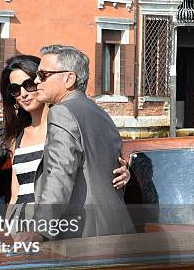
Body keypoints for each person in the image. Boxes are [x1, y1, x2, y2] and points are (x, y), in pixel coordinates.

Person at [27, 44, 135, 241]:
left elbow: (60, 173)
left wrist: (40, 229)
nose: (35, 81)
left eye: (43, 75)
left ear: (69, 78)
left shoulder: (61, 112)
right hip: (118, 227)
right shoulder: (102, 114)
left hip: (83, 233)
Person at [0, 55, 129, 218]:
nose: (23, 94)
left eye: (29, 84)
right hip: (20, 223)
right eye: (15, 89)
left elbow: (90, 168)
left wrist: (124, 174)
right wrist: (6, 229)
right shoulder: (16, 138)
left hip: (55, 222)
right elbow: (15, 195)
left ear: (40, 81)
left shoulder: (66, 126)